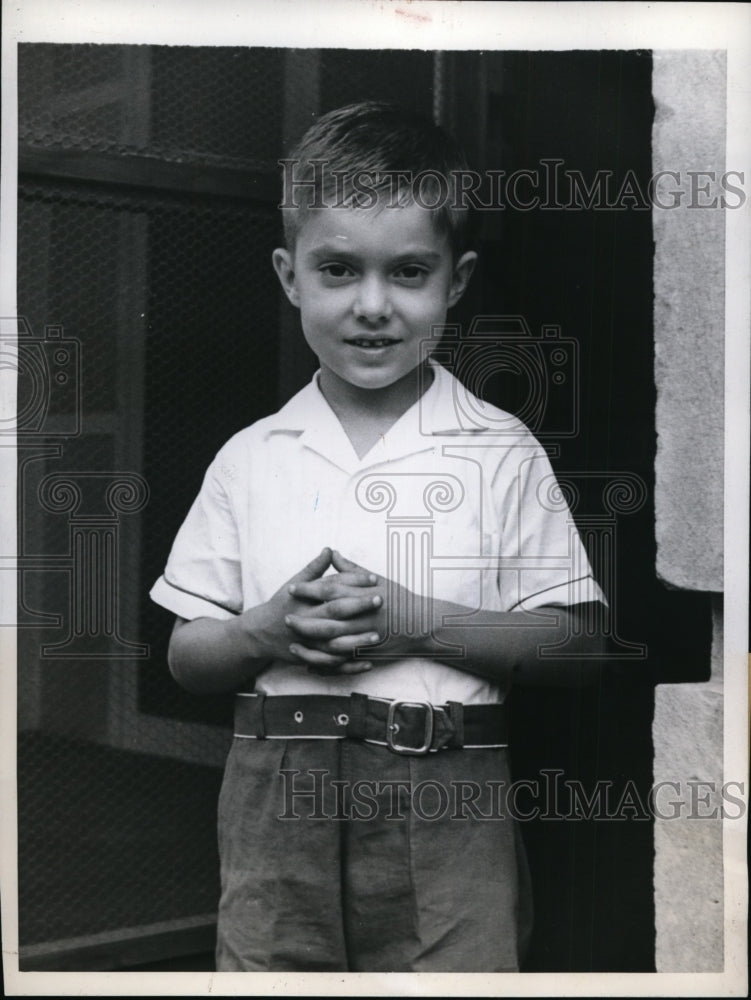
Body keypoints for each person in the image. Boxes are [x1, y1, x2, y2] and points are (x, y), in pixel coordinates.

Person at [150, 101, 607, 972]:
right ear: (289, 276)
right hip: (275, 789)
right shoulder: (251, 458)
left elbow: (576, 646)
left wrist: (415, 624)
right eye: (336, 270)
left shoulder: (497, 449)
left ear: (456, 279)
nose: (371, 306)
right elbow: (186, 652)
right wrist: (261, 631)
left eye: (406, 272)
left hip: (446, 790)